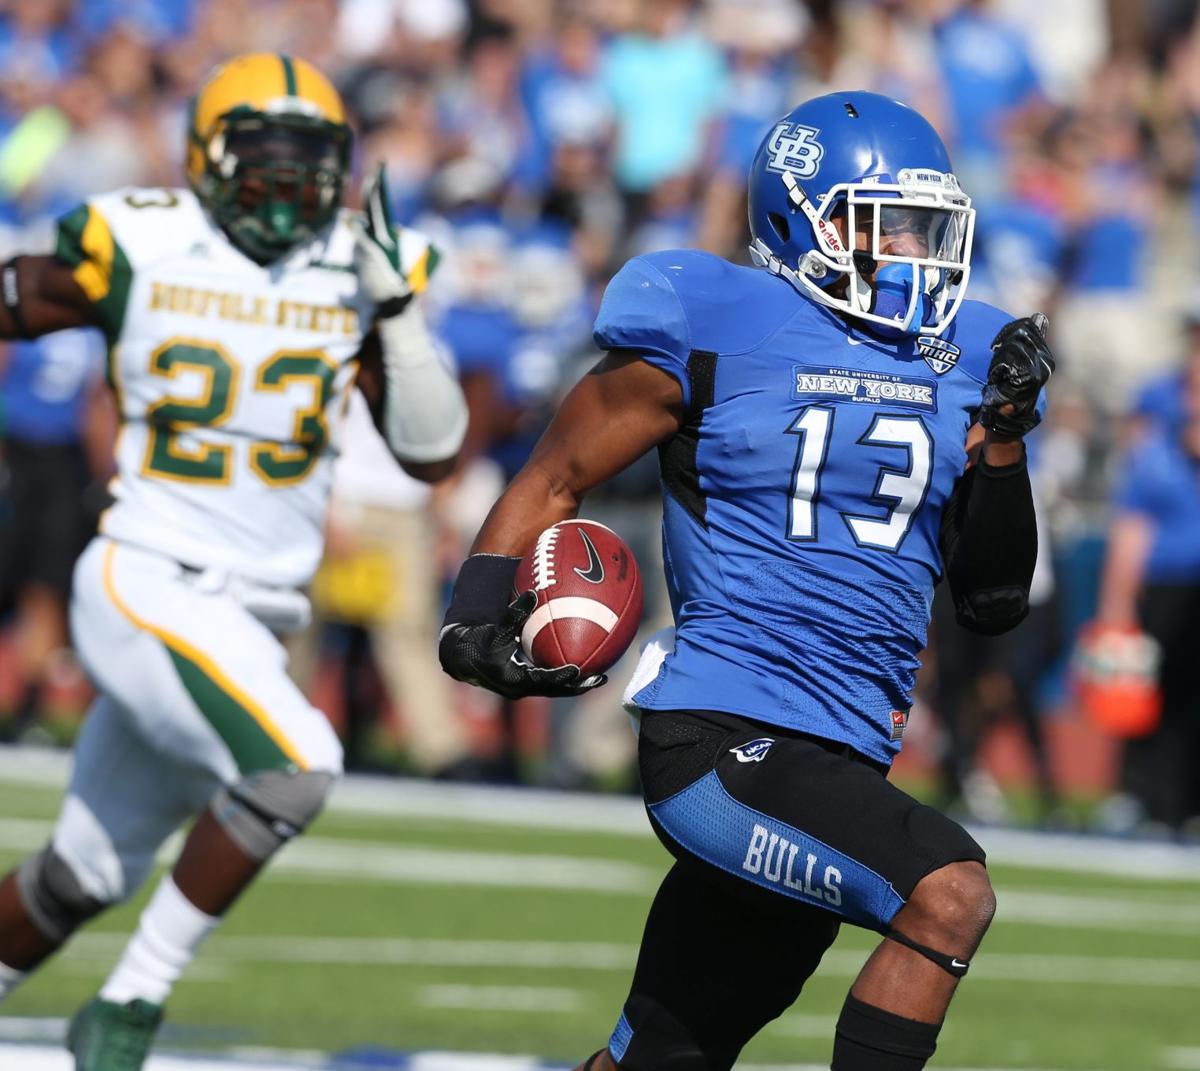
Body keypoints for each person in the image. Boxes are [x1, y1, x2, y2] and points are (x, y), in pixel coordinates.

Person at [439, 91, 1051, 1071]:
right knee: (949, 892)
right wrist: (470, 622)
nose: (912, 251)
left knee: (663, 1056)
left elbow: (992, 600)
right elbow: (553, 475)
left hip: (843, 757)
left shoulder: (966, 357)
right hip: (724, 736)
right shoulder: (719, 322)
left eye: (925, 227)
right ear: (798, 219)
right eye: (882, 223)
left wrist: (1006, 443)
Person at [0, 52, 466, 1071]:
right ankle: (127, 1007)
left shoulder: (362, 264)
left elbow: (431, 450)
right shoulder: (140, 240)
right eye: (266, 163)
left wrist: (396, 316)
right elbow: (22, 295)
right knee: (299, 764)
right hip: (145, 573)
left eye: (311, 166)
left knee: (77, 875)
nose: (290, 188)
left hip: (254, 613)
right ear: (207, 160)